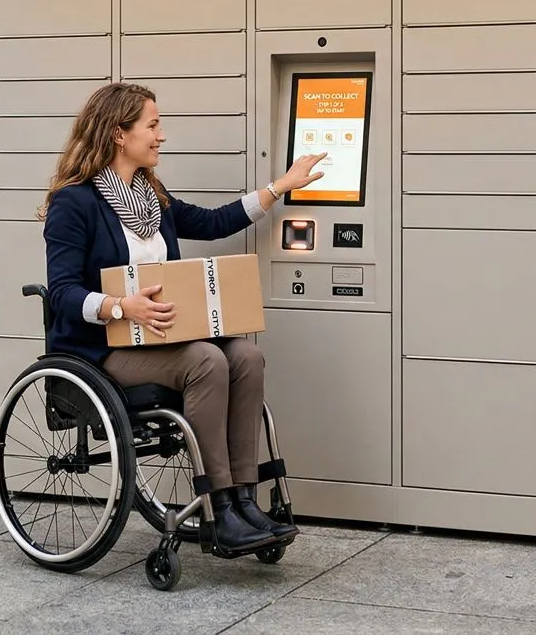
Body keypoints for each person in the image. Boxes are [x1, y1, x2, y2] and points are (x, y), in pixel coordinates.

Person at [39, 82, 326, 555]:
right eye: (152, 125)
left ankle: (243, 500)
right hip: (107, 350)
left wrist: (281, 186)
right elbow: (64, 292)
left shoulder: (150, 196)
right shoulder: (75, 203)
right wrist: (120, 306)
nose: (161, 135)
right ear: (118, 133)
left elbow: (213, 222)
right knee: (207, 361)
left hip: (165, 338)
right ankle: (215, 507)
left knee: (247, 356)